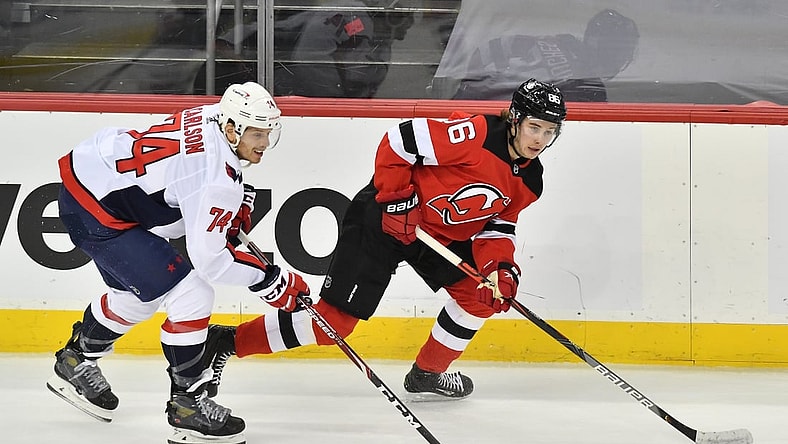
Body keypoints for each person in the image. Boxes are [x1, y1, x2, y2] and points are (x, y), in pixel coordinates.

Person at [205, 78, 567, 400]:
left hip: (435, 236)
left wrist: (500, 267)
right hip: (382, 217)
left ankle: (428, 372)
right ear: (516, 119)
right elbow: (399, 141)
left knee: (481, 298)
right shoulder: (475, 135)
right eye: (534, 127)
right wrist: (397, 200)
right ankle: (226, 342)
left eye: (550, 132)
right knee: (333, 324)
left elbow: (496, 226)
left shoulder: (531, 181)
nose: (540, 139)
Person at [47, 82, 310, 444]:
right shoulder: (216, 180)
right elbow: (210, 260)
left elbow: (176, 193)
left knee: (137, 297)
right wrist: (270, 281)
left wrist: (227, 215)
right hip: (98, 209)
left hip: (92, 182)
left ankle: (76, 359)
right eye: (256, 133)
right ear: (232, 128)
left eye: (269, 131)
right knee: (193, 294)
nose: (264, 142)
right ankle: (188, 404)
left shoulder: (210, 116)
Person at [444, 9, 639, 102]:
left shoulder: (562, 41)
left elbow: (490, 48)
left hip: (473, 106)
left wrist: (473, 87)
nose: (624, 57)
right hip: (486, 120)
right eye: (623, 50)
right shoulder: (591, 89)